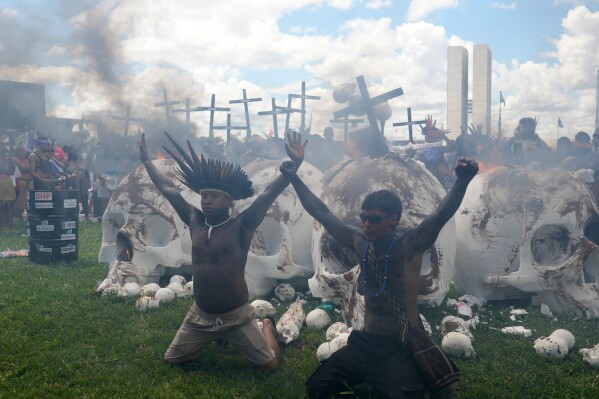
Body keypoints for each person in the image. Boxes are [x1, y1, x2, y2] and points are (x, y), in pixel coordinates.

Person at [279, 147, 479, 398]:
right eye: (363, 218)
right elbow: (322, 212)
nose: (366, 224)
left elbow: (440, 215)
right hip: (365, 341)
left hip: (399, 345)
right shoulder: (361, 243)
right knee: (317, 387)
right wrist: (293, 177)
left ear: (393, 220)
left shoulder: (410, 246)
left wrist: (463, 180)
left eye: (374, 219)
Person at [139, 130, 306, 372]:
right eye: (204, 196)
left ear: (229, 201)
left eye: (214, 196)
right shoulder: (195, 220)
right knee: (172, 359)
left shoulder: (242, 226)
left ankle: (267, 326)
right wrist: (146, 162)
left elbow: (268, 195)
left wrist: (295, 164)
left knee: (270, 365)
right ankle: (213, 335)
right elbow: (169, 190)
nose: (206, 200)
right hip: (200, 315)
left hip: (235, 315)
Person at [0, 141, 16, 233]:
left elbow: (12, 171)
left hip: (6, 181)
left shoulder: (8, 157)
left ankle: (8, 226)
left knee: (8, 205)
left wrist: (12, 163)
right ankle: (2, 225)